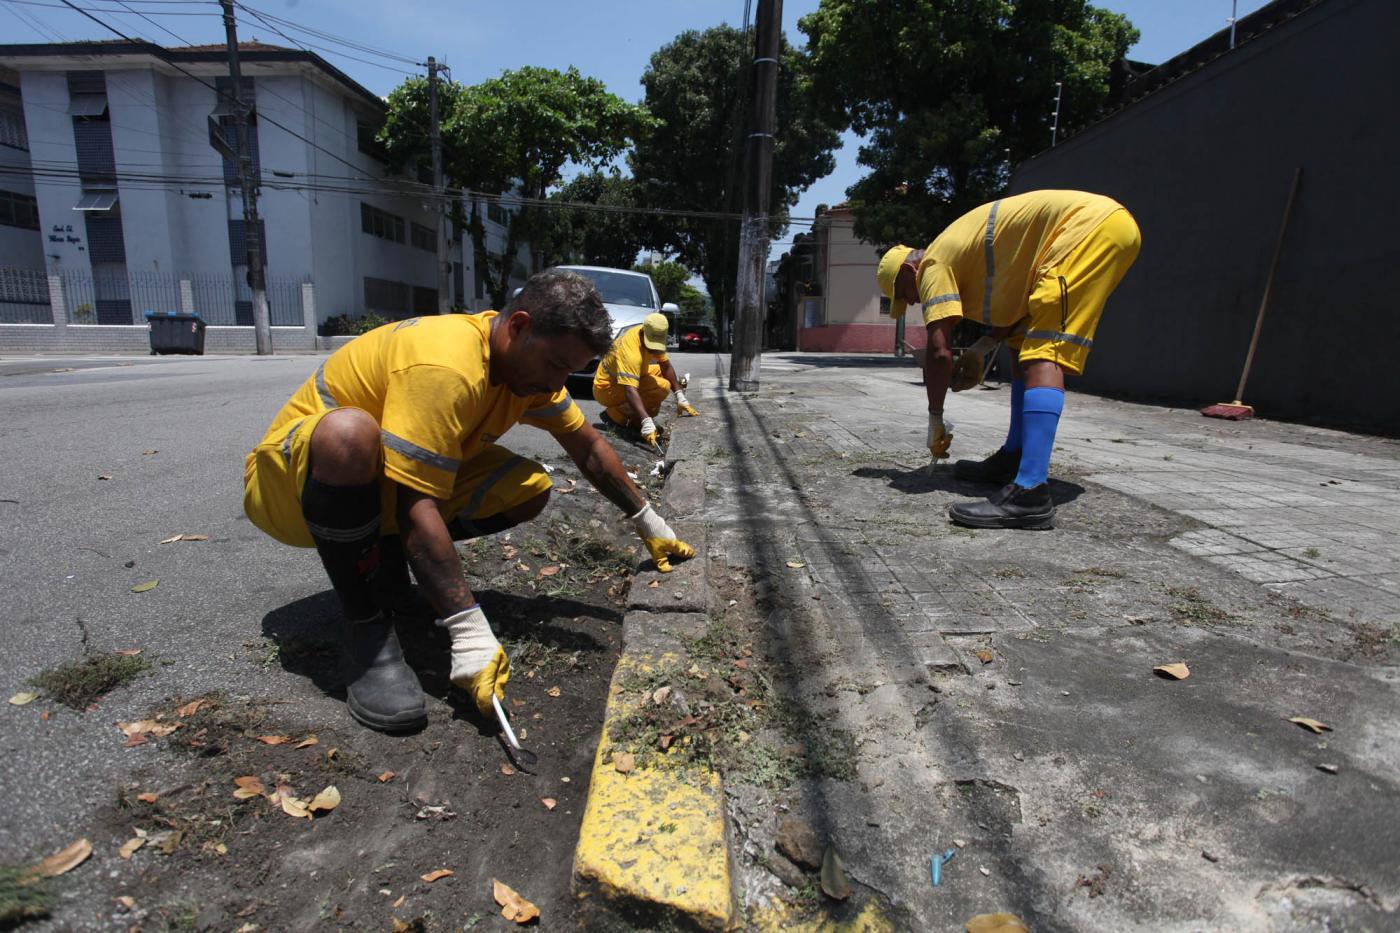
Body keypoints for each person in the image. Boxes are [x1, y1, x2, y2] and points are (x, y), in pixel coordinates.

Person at [242, 269, 696, 733]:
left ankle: (389, 574)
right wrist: (467, 628)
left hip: (382, 489)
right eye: (557, 364)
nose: (557, 381)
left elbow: (588, 447)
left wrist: (646, 519)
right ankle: (368, 630)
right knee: (349, 436)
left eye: (569, 370)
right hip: (292, 487)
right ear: (518, 327)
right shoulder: (448, 366)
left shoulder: (525, 372)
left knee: (528, 487)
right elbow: (417, 504)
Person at [876, 189, 1141, 529]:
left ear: (909, 271)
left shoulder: (932, 263)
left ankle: (1030, 492)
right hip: (1099, 227)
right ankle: (1013, 459)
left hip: (1086, 229)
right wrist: (982, 348)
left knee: (1043, 353)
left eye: (904, 295)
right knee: (1022, 347)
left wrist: (935, 419)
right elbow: (1015, 314)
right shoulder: (962, 253)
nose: (911, 303)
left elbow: (939, 352)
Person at [592, 312, 699, 450]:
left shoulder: (652, 333)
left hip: (623, 380)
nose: (654, 348)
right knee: (662, 386)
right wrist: (645, 421)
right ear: (643, 332)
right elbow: (630, 389)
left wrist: (680, 395)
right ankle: (619, 418)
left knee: (662, 374)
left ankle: (639, 419)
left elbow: (665, 366)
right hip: (607, 388)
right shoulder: (631, 353)